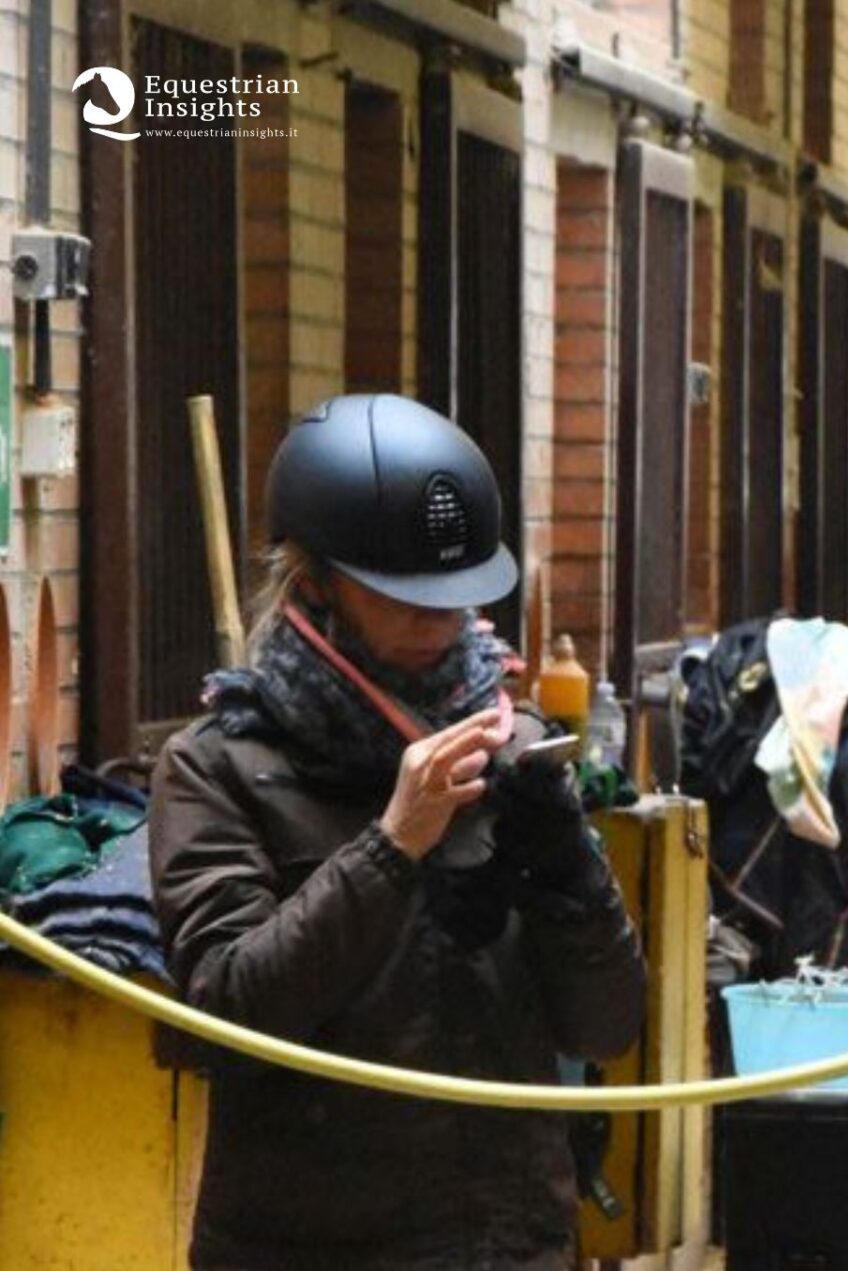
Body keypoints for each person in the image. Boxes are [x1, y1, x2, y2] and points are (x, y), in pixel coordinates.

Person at [150, 394, 645, 1269]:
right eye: (403, 599)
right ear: (314, 585)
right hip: (311, 1249)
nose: (438, 624)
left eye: (455, 600)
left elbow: (606, 1024)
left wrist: (570, 871)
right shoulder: (219, 765)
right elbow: (220, 1020)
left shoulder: (511, 743)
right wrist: (391, 846)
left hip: (509, 1243)